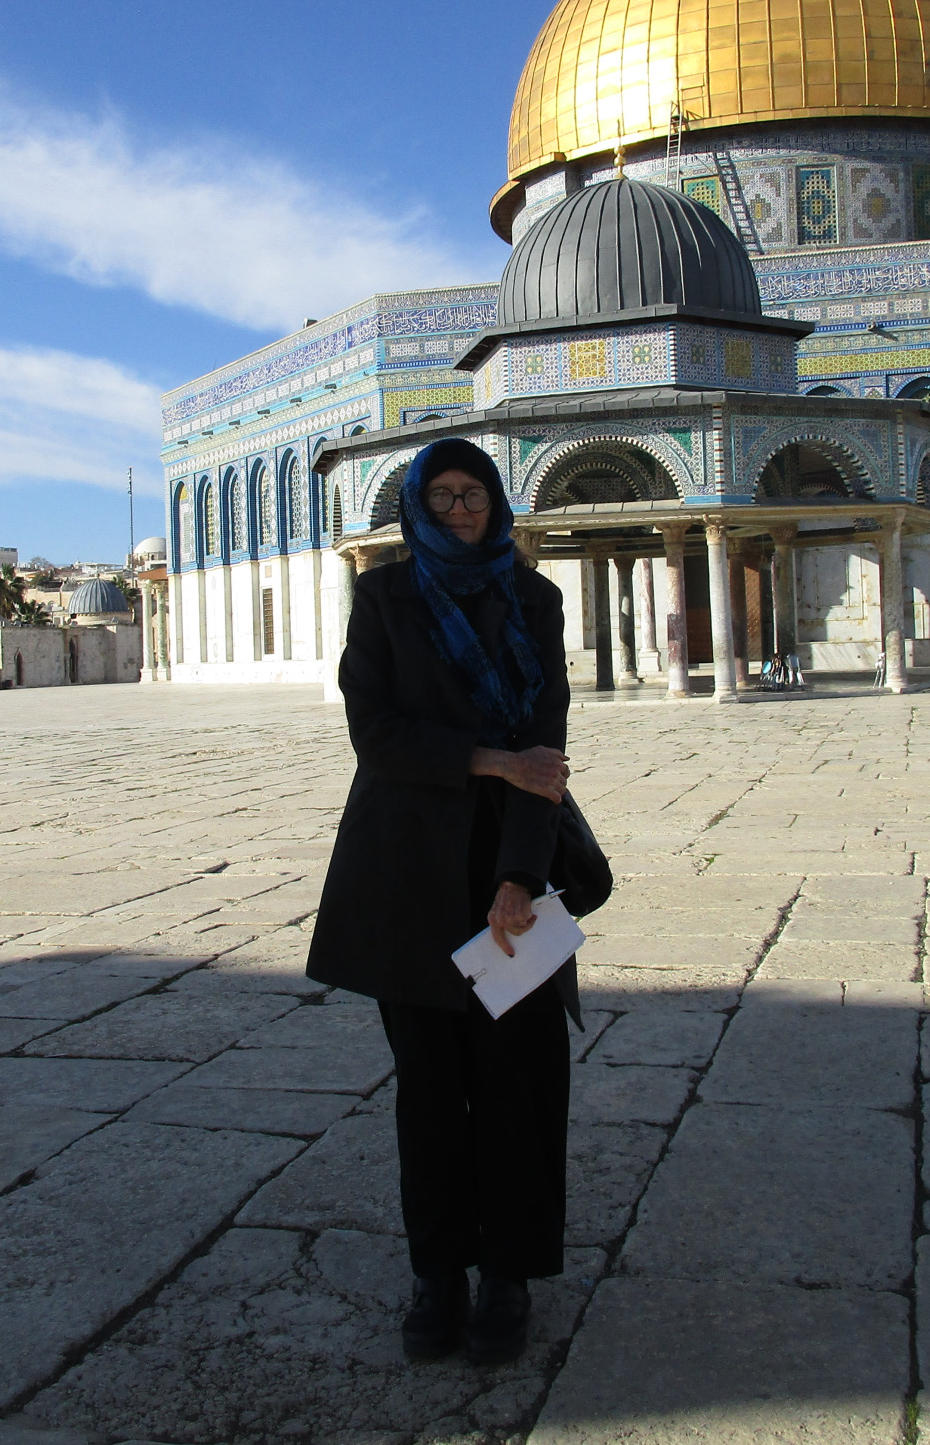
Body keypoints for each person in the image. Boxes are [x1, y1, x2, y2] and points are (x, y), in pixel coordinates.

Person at [307, 437, 573, 1365]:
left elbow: (546, 747)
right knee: (428, 1087)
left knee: (516, 1081)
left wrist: (521, 877)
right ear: (418, 506)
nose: (462, 511)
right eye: (446, 496)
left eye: (476, 495)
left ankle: (507, 1271)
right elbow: (373, 733)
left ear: (498, 504)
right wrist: (488, 758)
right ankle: (437, 1274)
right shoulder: (383, 597)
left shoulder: (534, 599)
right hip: (407, 872)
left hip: (507, 866)